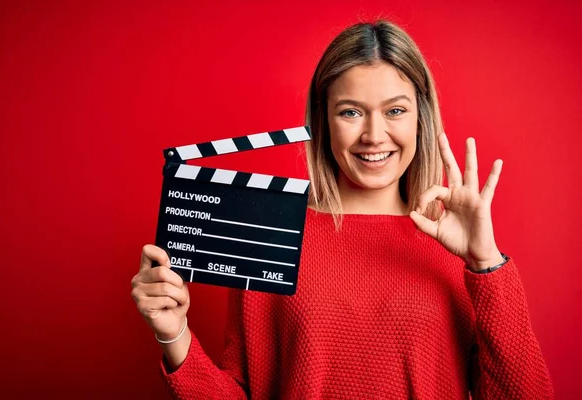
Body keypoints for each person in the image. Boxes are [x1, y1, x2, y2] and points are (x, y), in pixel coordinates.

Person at [131, 20, 554, 399]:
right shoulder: (271, 236)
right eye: (350, 112)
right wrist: (175, 336)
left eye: (395, 111)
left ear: (420, 119)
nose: (374, 135)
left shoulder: (459, 249)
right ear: (322, 120)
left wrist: (486, 264)